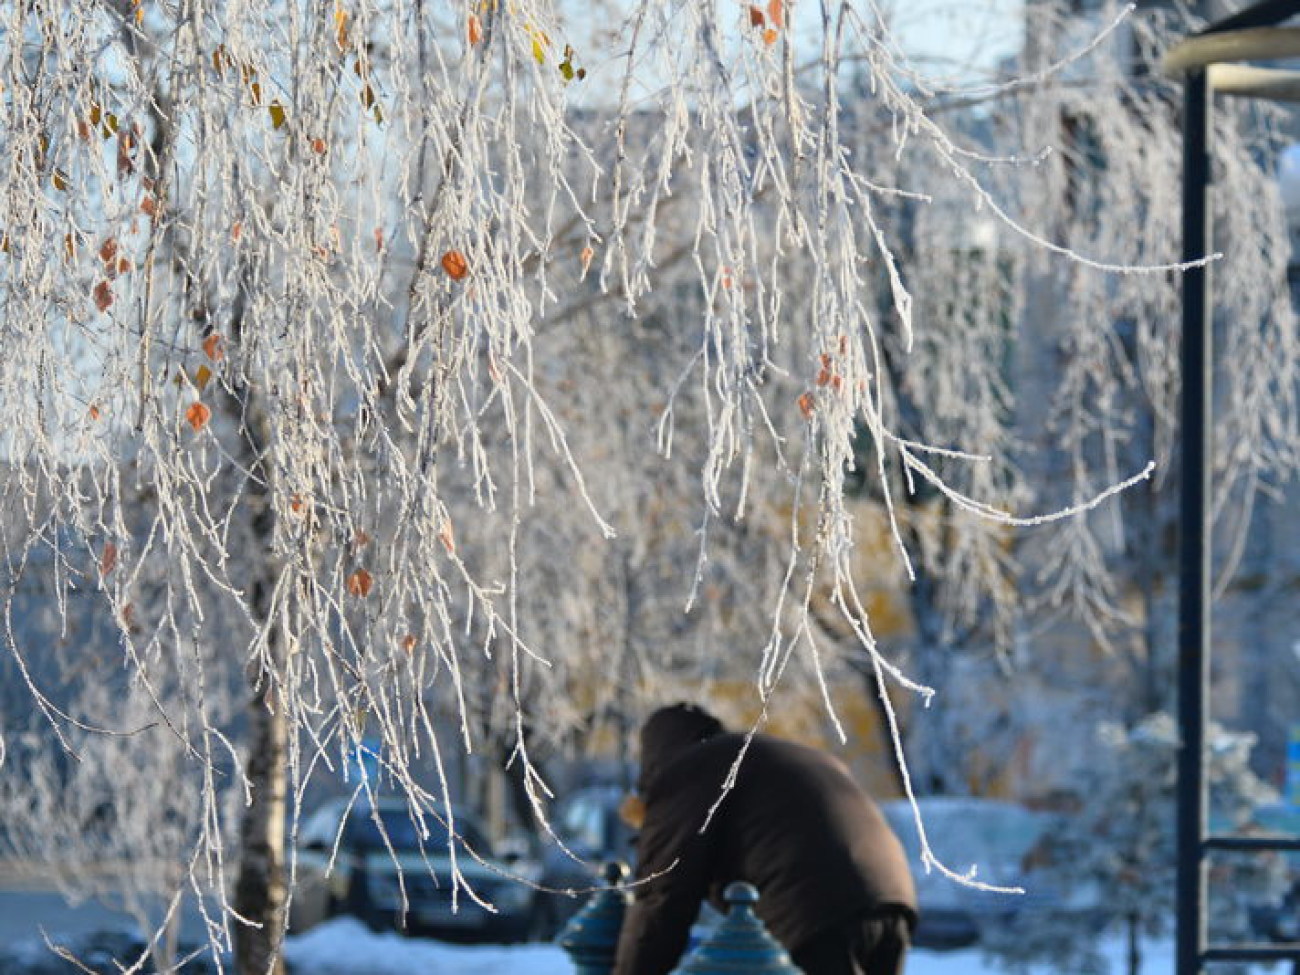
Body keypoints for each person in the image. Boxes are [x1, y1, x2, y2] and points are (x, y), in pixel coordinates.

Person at [612, 703, 917, 975]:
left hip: (814, 911)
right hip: (891, 895)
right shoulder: (751, 756)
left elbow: (662, 895)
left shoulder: (688, 772)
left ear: (654, 757)